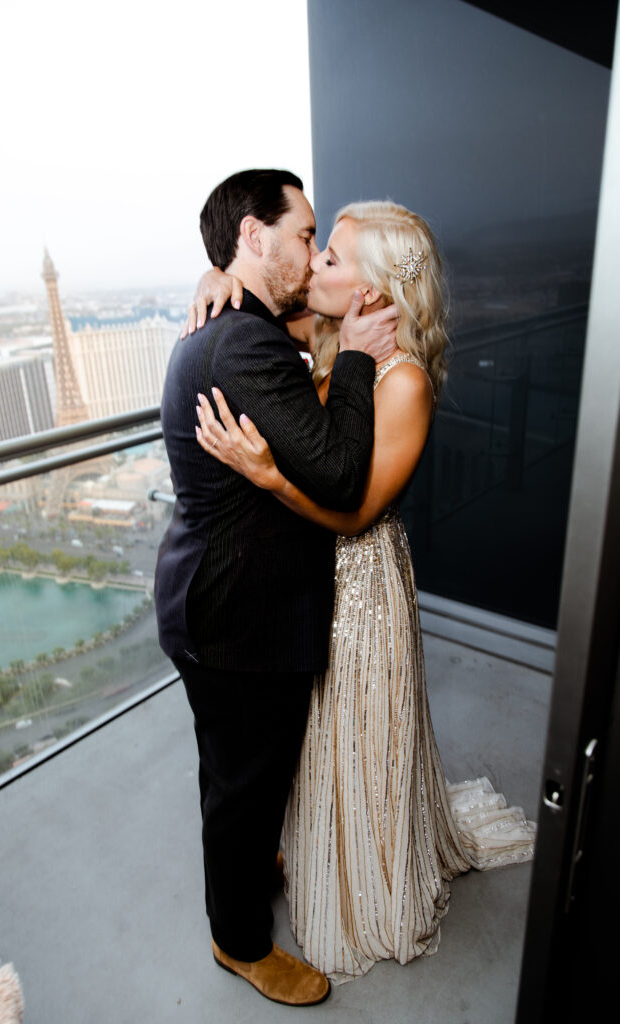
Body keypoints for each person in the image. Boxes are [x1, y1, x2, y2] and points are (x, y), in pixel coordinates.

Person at [193, 199, 536, 983]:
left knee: (363, 730)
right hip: (303, 581)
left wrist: (267, 475)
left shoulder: (404, 380)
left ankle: (370, 879)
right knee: (316, 737)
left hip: (362, 588)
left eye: (332, 259)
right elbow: (251, 295)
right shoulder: (320, 334)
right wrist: (213, 273)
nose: (314, 265)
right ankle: (316, 851)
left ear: (376, 292)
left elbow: (353, 511)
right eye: (320, 250)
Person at [154, 170, 400, 1006]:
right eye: (302, 233)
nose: (311, 247)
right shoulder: (243, 342)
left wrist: (216, 273)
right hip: (233, 615)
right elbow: (336, 475)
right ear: (253, 237)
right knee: (242, 782)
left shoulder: (241, 323)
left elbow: (301, 332)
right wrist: (362, 359)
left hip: (213, 599)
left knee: (234, 772)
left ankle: (248, 858)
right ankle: (241, 943)